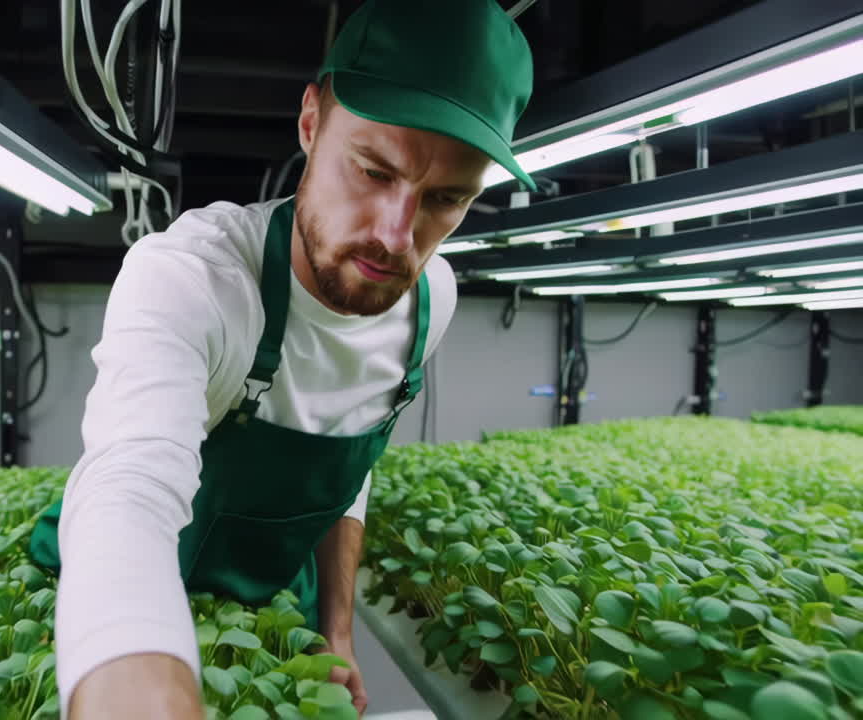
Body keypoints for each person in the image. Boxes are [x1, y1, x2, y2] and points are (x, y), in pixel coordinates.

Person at [28, 0, 536, 716]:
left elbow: (348, 464)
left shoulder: (430, 304)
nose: (397, 237)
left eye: (446, 199)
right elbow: (127, 485)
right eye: (373, 170)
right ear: (310, 125)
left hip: (264, 615)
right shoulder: (193, 277)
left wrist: (336, 632)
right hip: (112, 616)